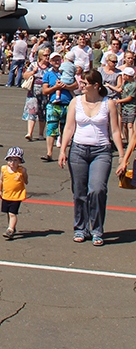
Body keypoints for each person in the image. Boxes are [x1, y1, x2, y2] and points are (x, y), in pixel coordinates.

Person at [58, 69, 125, 246]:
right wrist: (63, 150)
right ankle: (81, 228)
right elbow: (69, 128)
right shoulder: (75, 102)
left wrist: (122, 156)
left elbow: (116, 131)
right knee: (79, 192)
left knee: (97, 189)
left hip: (101, 151)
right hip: (78, 150)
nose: (81, 86)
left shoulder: (108, 103)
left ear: (96, 85)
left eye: (85, 84)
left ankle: (96, 229)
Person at [40, 52, 76, 161]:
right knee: (52, 128)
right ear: (50, 62)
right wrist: (55, 87)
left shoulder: (66, 72)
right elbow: (45, 90)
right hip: (53, 104)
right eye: (54, 60)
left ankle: (63, 152)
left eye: (58, 60)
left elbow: (76, 85)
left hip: (67, 103)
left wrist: (67, 86)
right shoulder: (48, 74)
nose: (56, 62)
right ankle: (49, 153)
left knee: (66, 129)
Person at [0, 146, 28, 240]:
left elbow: (26, 181)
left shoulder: (21, 171)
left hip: (17, 196)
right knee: (8, 212)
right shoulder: (4, 169)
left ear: (19, 161)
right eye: (10, 159)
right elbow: (1, 180)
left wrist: (24, 174)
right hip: (6, 194)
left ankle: (10, 229)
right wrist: (0, 190)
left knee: (12, 213)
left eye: (15, 160)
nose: (12, 162)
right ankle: (12, 227)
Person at [115, 65, 136, 143]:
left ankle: (131, 143)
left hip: (132, 107)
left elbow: (130, 98)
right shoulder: (125, 83)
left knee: (130, 125)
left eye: (124, 75)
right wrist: (109, 86)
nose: (123, 76)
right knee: (124, 125)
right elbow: (119, 90)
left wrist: (118, 101)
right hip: (124, 107)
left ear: (128, 76)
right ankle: (128, 141)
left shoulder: (134, 85)